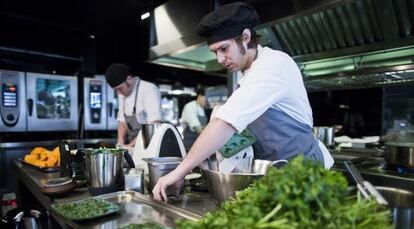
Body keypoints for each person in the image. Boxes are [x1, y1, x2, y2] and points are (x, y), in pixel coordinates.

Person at [152, 2, 334, 202]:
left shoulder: (273, 66)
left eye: (224, 48)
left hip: (307, 174)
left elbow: (225, 123)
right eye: (215, 52)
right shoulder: (247, 74)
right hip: (278, 176)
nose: (220, 59)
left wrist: (180, 172)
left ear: (246, 37)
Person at [105, 63, 161, 148]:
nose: (119, 93)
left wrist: (129, 146)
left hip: (150, 145)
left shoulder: (149, 89)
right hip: (132, 145)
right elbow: (122, 121)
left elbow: (153, 124)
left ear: (129, 79)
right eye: (116, 90)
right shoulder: (122, 93)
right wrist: (120, 143)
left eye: (120, 88)